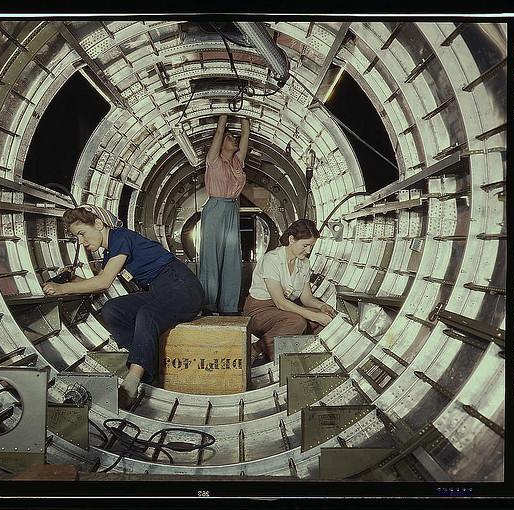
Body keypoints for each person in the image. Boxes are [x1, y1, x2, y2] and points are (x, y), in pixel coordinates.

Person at [42, 204, 204, 409]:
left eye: (82, 234)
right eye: (78, 238)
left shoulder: (120, 237)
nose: (81, 242)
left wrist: (62, 289)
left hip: (183, 288)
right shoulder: (111, 253)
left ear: (99, 224)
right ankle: (144, 363)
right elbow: (98, 284)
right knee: (113, 309)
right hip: (158, 291)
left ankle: (131, 385)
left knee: (147, 314)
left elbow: (103, 282)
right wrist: (72, 280)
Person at [243, 219, 337, 361]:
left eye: (311, 246)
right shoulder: (272, 260)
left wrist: (322, 306)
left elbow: (306, 298)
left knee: (321, 321)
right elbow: (280, 302)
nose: (308, 251)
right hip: (259, 311)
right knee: (297, 322)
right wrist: (313, 315)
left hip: (284, 311)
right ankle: (258, 348)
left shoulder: (304, 263)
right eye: (305, 245)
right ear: (291, 239)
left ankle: (301, 356)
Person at [199, 114, 250, 315]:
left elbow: (246, 132)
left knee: (232, 258)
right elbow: (219, 131)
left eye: (233, 137)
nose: (233, 139)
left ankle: (229, 306)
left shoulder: (238, 162)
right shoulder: (213, 160)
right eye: (229, 138)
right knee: (210, 258)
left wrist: (245, 110)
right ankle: (208, 305)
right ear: (220, 145)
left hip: (231, 209)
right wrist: (224, 113)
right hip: (215, 208)